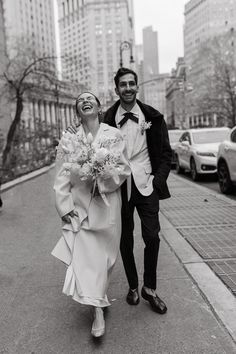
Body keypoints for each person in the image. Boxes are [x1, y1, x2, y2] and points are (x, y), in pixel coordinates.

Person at [52, 92, 130, 338]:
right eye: (80, 100)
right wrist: (64, 207)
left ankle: (98, 294)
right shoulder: (69, 138)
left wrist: (103, 180)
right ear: (77, 109)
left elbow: (123, 168)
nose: (85, 101)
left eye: (90, 98)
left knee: (107, 259)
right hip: (81, 208)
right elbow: (61, 175)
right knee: (87, 260)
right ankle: (97, 311)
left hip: (107, 205)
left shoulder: (113, 135)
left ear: (99, 106)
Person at [103, 67, 172, 314]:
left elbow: (166, 154)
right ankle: (133, 286)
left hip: (147, 185)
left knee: (152, 237)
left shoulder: (153, 116)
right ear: (117, 89)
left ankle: (149, 288)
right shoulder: (106, 119)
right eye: (123, 84)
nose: (128, 88)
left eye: (132, 83)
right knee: (125, 239)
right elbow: (93, 147)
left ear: (137, 86)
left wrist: (157, 178)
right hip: (118, 188)